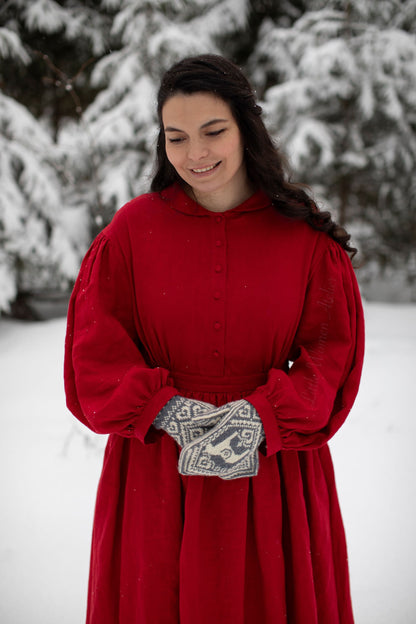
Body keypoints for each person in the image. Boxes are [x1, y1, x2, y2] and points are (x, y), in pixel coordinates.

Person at [64, 54, 365, 624]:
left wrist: (263, 417)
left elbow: (333, 354)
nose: (195, 154)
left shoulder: (303, 235)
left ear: (245, 127)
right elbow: (94, 349)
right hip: (156, 472)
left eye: (213, 131)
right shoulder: (131, 231)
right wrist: (165, 409)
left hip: (273, 471)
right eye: (176, 137)